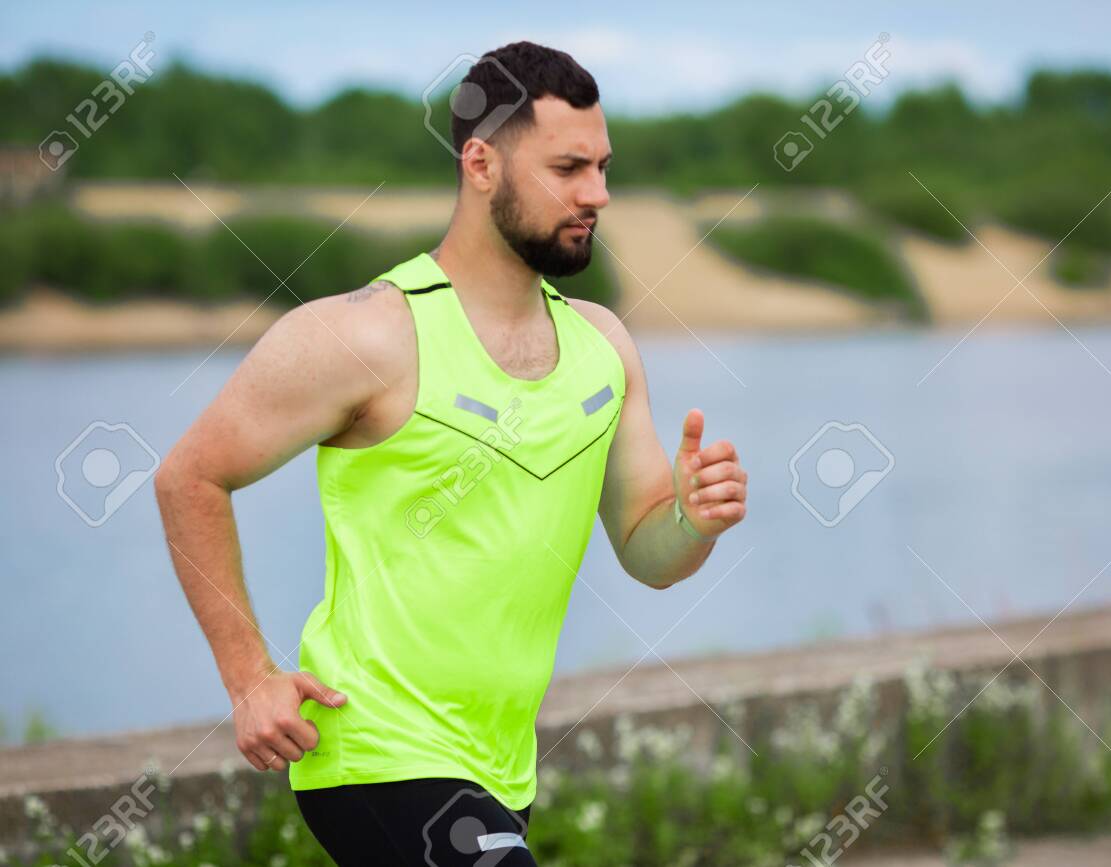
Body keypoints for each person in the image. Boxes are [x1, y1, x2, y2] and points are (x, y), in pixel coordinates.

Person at [154, 40, 748, 866]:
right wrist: (250, 675)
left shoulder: (603, 346)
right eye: (569, 167)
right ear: (480, 163)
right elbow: (190, 476)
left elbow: (650, 553)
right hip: (375, 751)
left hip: (502, 769)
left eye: (604, 166)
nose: (599, 194)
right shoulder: (366, 334)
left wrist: (695, 517)